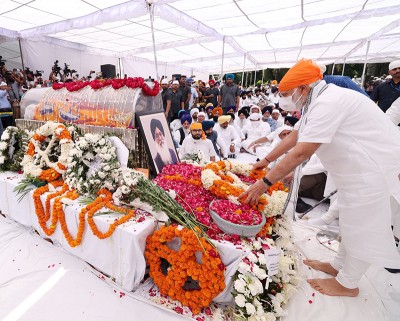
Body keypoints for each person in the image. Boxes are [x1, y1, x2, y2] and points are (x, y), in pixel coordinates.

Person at [241, 58, 400, 297]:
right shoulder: (317, 100)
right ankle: (337, 266)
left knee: (363, 227)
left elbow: (303, 150)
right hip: (356, 173)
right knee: (348, 220)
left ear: (303, 88)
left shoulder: (329, 101)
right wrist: (265, 161)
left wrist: (265, 183)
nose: (283, 98)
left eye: (286, 93)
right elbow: (296, 135)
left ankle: (348, 284)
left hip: (373, 172)